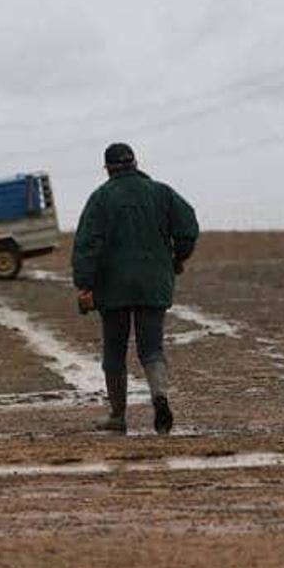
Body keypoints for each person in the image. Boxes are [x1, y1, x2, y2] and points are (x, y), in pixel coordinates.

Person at [72, 142, 199, 435]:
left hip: (112, 287)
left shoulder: (101, 199)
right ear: (135, 163)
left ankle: (118, 416)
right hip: (154, 283)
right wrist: (178, 258)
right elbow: (188, 228)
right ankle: (160, 397)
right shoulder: (162, 192)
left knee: (114, 352)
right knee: (151, 348)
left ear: (108, 168)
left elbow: (87, 245)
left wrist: (84, 285)